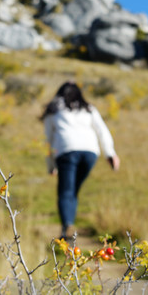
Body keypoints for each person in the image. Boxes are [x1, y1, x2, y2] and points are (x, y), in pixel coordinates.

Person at [42, 81, 120, 240]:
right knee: (73, 189)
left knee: (66, 191)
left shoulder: (54, 109)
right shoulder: (89, 109)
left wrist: (51, 165)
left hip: (66, 151)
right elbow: (102, 130)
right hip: (90, 153)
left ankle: (67, 228)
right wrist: (110, 154)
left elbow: (48, 139)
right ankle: (69, 225)